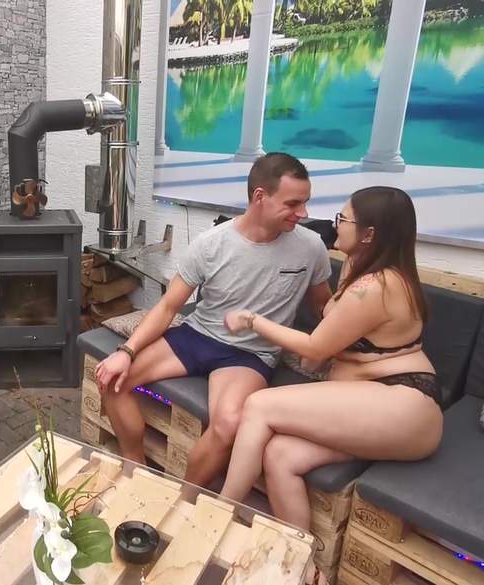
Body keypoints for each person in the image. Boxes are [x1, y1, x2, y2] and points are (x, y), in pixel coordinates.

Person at [220, 186, 443, 585]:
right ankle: (306, 567)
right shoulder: (367, 275)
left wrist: (253, 320)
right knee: (281, 455)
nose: (335, 224)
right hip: (382, 405)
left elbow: (314, 347)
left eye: (343, 219)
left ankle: (219, 515)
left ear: (370, 234)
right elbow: (321, 351)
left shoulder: (376, 287)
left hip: (405, 404)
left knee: (259, 405)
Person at [94, 152, 333, 488]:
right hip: (198, 335)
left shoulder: (311, 248)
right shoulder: (212, 244)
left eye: (305, 202)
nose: (303, 213)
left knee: (229, 424)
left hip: (249, 354)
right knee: (112, 379)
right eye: (293, 203)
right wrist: (126, 351)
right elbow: (168, 307)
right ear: (260, 196)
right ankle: (136, 467)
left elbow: (325, 307)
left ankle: (185, 499)